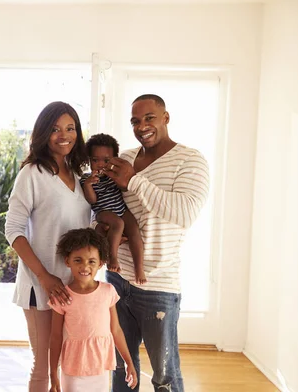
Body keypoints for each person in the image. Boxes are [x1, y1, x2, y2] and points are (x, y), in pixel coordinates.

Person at [103, 94, 210, 391]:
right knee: (120, 368)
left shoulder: (190, 160)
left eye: (149, 117)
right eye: (135, 121)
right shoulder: (123, 159)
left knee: (165, 376)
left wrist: (134, 181)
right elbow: (105, 205)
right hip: (116, 278)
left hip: (158, 284)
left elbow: (184, 213)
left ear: (165, 117)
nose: (142, 126)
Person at [5, 101, 92, 391]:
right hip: (40, 285)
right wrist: (43, 276)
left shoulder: (80, 175)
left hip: (73, 286)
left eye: (70, 128)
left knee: (65, 364)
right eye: (55, 129)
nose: (64, 135)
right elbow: (13, 230)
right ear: (43, 133)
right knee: (43, 366)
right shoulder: (32, 174)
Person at [48, 228, 137, 392]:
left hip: (100, 364)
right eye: (78, 260)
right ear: (67, 261)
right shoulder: (61, 297)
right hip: (73, 366)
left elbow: (116, 330)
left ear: (101, 264)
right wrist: (53, 372)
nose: (85, 266)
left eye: (91, 261)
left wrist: (128, 362)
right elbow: (55, 336)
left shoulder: (108, 291)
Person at [80, 133, 146, 284]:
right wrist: (89, 185)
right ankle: (112, 257)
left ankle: (139, 268)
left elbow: (125, 190)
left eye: (106, 160)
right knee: (118, 224)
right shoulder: (86, 179)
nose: (100, 164)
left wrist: (119, 178)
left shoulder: (114, 174)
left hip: (120, 209)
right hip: (103, 212)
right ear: (89, 160)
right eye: (95, 160)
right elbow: (92, 200)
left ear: (115, 159)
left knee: (134, 230)